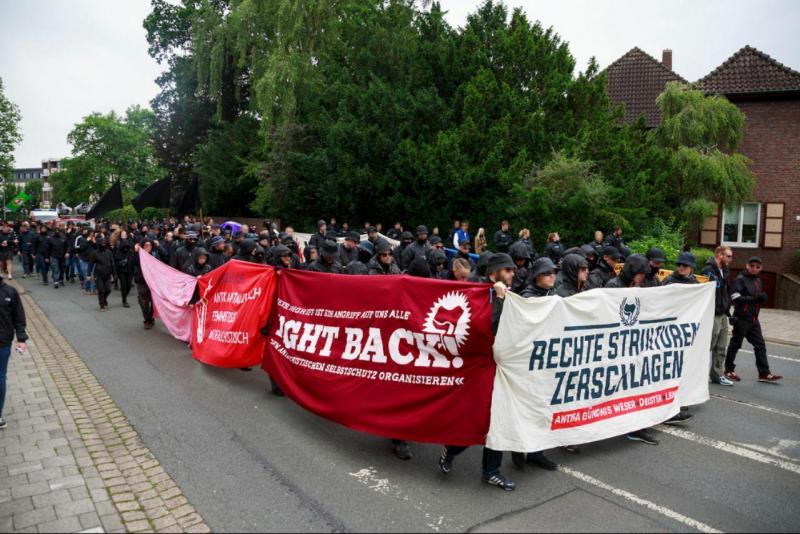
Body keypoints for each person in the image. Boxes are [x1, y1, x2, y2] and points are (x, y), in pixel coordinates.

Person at [439, 252, 517, 491]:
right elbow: (487, 328)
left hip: (502, 367)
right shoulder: (478, 294)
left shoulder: (507, 294)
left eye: (513, 270)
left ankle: (491, 471)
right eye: (507, 270)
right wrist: (501, 300)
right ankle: (451, 450)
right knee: (477, 420)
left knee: (499, 421)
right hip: (479, 368)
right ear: (494, 274)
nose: (512, 274)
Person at [603, 254, 660, 445]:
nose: (643, 277)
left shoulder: (640, 287)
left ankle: (636, 426)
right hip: (617, 346)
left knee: (636, 386)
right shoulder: (613, 286)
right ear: (632, 272)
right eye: (640, 273)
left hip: (635, 345)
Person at [725, 257, 782, 383]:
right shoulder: (740, 279)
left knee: (760, 345)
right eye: (752, 266)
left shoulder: (757, 280)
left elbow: (758, 297)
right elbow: (735, 298)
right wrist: (755, 298)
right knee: (735, 344)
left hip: (754, 319)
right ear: (747, 266)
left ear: (760, 268)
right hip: (742, 318)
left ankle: (764, 374)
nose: (755, 268)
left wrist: (762, 298)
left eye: (758, 266)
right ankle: (728, 370)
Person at [701, 246, 734, 386]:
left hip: (723, 313)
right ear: (720, 255)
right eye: (728, 256)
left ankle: (716, 375)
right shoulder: (708, 270)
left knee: (721, 347)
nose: (730, 259)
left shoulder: (724, 270)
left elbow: (726, 291)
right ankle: (698, 374)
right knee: (708, 345)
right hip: (712, 314)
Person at [0, 273, 28, 430]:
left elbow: (19, 316)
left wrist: (21, 338)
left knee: (0, 377)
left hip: (3, 342)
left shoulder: (10, 292)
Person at [132, 239, 157, 329]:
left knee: (154, 303)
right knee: (143, 302)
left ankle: (151, 317)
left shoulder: (155, 255)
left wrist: (159, 247)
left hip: (153, 283)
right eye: (145, 245)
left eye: (149, 245)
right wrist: (136, 252)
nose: (148, 247)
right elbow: (133, 263)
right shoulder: (138, 255)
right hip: (142, 282)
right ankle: (147, 320)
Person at [89, 238, 116, 311]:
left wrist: (114, 274)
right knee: (101, 290)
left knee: (108, 290)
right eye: (102, 244)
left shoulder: (109, 252)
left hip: (107, 274)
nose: (103, 245)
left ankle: (104, 299)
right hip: (98, 274)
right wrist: (89, 274)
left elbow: (112, 263)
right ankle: (101, 305)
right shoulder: (94, 253)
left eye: (104, 244)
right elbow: (91, 264)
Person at [113, 236, 135, 308]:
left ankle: (125, 294)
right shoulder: (118, 253)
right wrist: (121, 263)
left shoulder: (130, 252)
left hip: (129, 271)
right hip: (122, 271)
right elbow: (115, 262)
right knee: (123, 286)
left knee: (128, 285)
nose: (126, 249)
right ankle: (124, 300)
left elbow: (133, 261)